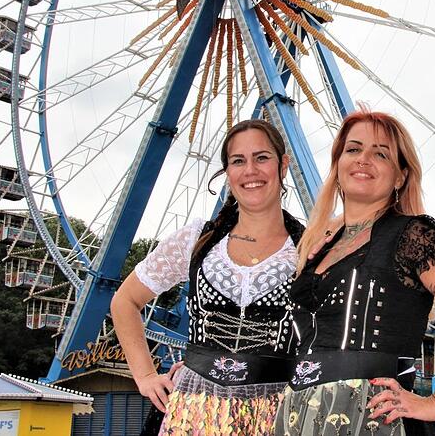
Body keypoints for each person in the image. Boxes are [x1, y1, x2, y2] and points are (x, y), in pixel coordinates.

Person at [273, 110, 435, 435]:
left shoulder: (413, 236)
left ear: (400, 177)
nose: (363, 159)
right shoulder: (317, 247)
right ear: (337, 165)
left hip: (372, 418)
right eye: (353, 149)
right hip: (300, 415)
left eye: (380, 153)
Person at [111, 119, 305, 435]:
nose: (250, 170)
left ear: (283, 165)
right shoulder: (196, 240)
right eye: (238, 161)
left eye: (262, 158)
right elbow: (125, 300)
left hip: (278, 409)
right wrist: (145, 376)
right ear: (228, 173)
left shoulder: (310, 248)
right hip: (193, 408)